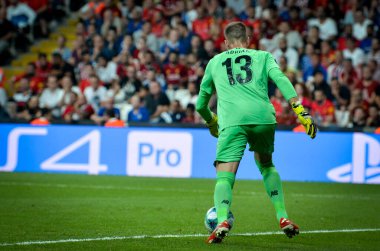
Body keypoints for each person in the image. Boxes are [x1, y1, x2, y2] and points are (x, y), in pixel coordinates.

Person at [195, 22, 317, 244]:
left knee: (224, 176)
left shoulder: (214, 62)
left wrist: (212, 122)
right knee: (267, 165)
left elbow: (200, 105)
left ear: (226, 43)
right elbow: (281, 79)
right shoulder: (263, 56)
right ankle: (283, 217)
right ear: (248, 39)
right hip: (263, 118)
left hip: (232, 122)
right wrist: (300, 111)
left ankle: (222, 220)